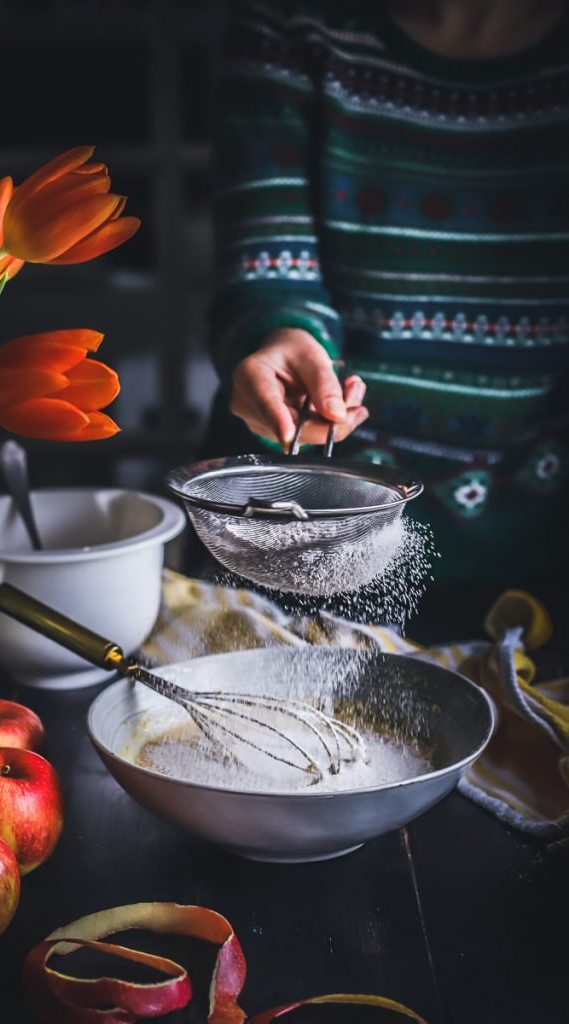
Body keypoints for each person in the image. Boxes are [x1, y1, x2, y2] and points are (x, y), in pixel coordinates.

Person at [200, 0, 569, 635]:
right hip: (294, 526)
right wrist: (283, 337)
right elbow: (267, 248)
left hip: (541, 556)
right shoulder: (292, 25)